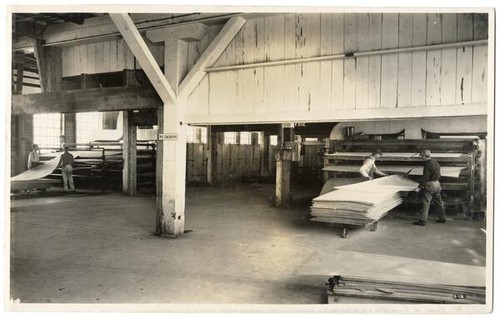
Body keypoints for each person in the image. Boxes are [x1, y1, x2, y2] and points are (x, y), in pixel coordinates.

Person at [412, 150, 446, 226]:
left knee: (426, 202)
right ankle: (442, 218)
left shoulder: (427, 164)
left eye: (422, 157)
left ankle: (422, 221)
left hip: (430, 185)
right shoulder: (436, 162)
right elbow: (439, 174)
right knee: (439, 202)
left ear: (424, 156)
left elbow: (425, 177)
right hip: (437, 184)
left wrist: (419, 187)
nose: (422, 158)